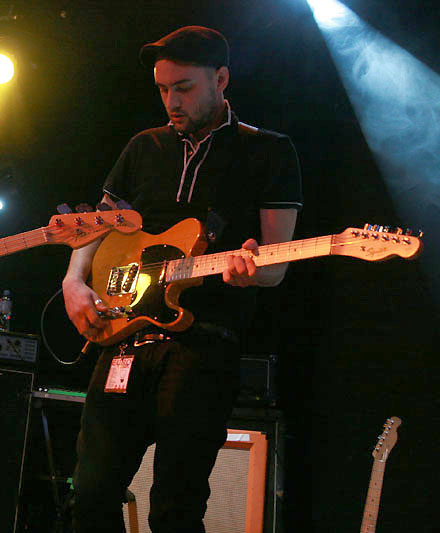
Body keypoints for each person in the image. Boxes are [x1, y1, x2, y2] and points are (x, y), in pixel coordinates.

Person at [62, 26, 301, 532]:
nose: (171, 101)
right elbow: (97, 228)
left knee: (176, 504)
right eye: (163, 89)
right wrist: (74, 282)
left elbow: (277, 264)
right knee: (89, 494)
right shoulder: (143, 147)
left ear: (221, 79)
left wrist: (252, 271)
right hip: (123, 334)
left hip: (203, 345)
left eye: (184, 88)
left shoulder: (270, 152)